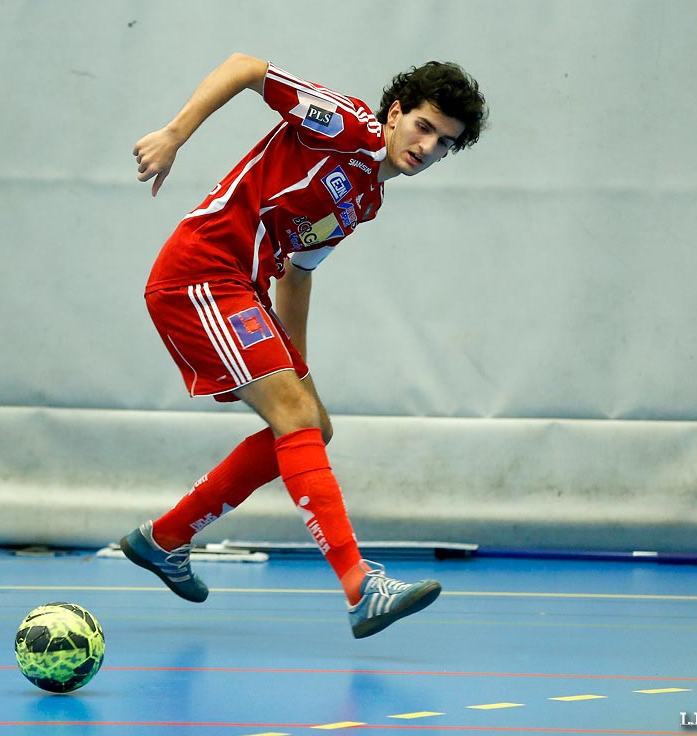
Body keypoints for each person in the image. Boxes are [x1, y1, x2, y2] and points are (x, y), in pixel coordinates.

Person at [119, 53, 487, 638]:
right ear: (395, 114)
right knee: (295, 415)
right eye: (423, 127)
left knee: (313, 423)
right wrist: (174, 135)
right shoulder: (342, 123)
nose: (428, 146)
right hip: (201, 270)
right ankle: (360, 585)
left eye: (444, 143)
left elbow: (296, 274)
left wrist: (302, 370)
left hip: (244, 286)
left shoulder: (366, 199)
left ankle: (164, 538)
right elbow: (245, 68)